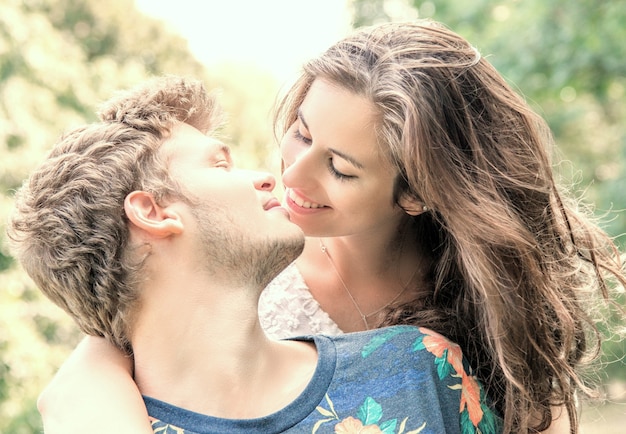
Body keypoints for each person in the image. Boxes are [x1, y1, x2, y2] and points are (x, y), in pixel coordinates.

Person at [35, 20, 625, 434]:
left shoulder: (452, 334)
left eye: (339, 168)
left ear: (417, 193)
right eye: (301, 130)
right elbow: (115, 318)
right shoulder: (240, 275)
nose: (290, 172)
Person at [7, 75, 498, 434]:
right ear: (152, 212)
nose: (269, 177)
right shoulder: (96, 417)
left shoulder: (418, 366)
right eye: (220, 165)